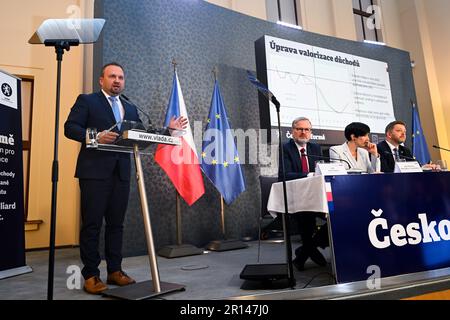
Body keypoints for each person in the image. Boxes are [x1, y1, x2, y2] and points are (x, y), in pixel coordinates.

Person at [64, 62, 187, 294]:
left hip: (121, 173)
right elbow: (70, 128)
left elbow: (141, 135)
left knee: (116, 225)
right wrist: (96, 136)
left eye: (120, 77)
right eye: (112, 76)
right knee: (92, 225)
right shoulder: (87, 101)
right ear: (102, 80)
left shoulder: (129, 107)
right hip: (94, 173)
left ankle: (115, 270)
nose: (117, 80)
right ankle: (90, 274)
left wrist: (167, 131)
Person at [279, 117, 328, 271]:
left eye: (307, 129)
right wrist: (309, 175)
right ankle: (309, 250)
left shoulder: (315, 148)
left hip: (315, 195)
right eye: (300, 129)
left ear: (311, 133)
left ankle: (305, 250)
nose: (303, 132)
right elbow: (284, 174)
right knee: (306, 215)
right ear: (292, 131)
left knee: (335, 214)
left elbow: (321, 171)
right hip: (296, 197)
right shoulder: (285, 148)